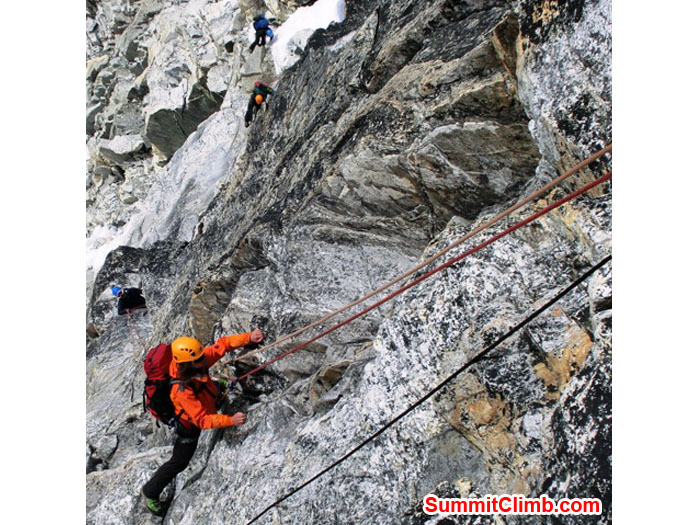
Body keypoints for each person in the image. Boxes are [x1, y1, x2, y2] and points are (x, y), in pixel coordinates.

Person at [141, 329, 264, 516]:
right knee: (179, 462)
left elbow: (222, 345)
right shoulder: (181, 391)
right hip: (188, 427)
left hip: (205, 400)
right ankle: (150, 491)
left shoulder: (194, 362)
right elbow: (202, 420)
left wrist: (248, 337)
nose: (203, 360)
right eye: (198, 359)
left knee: (212, 384)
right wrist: (230, 420)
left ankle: (217, 390)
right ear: (186, 364)